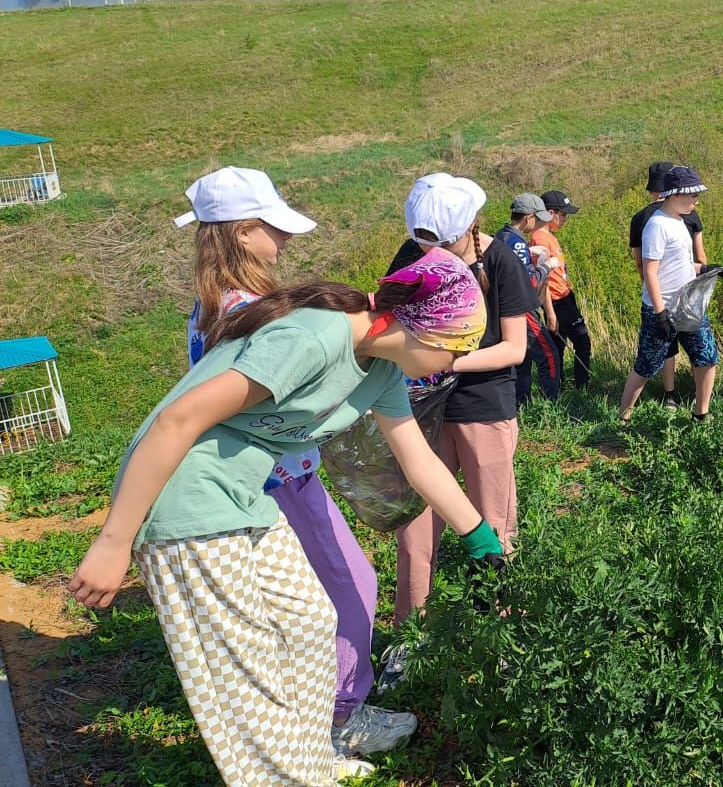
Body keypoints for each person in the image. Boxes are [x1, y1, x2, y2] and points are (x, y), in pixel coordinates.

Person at [68, 253, 500, 787]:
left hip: (246, 491)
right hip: (186, 495)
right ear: (421, 326)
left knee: (310, 623)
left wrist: (480, 536)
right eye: (454, 348)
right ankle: (284, 776)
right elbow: (178, 419)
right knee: (246, 668)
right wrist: (115, 542)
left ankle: (308, 761)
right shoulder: (315, 339)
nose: (451, 363)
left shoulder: (382, 369)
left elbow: (418, 460)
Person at [178, 167, 417, 761]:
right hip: (275, 481)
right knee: (344, 596)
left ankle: (322, 715)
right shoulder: (254, 312)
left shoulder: (215, 306)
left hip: (272, 476)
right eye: (272, 229)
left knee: (321, 599)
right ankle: (333, 723)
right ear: (240, 234)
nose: (284, 240)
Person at [387, 174, 535, 632]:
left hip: (484, 405)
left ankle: (502, 628)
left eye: (441, 245)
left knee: (494, 523)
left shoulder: (501, 259)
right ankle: (411, 637)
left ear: (471, 223)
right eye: (424, 244)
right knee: (416, 529)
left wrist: (445, 361)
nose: (431, 255)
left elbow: (514, 348)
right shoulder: (412, 255)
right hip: (424, 407)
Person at [619, 166, 719, 423]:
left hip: (688, 306)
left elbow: (680, 264)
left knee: (707, 358)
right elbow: (651, 271)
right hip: (661, 309)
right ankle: (623, 416)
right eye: (692, 195)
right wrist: (661, 313)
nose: (697, 200)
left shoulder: (680, 221)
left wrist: (705, 269)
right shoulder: (656, 226)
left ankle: (701, 415)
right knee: (646, 364)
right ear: (674, 194)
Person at [495, 192, 561, 406]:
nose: (540, 222)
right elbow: (528, 283)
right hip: (521, 307)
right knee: (549, 355)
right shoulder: (517, 244)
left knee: (520, 357)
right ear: (528, 217)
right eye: (538, 217)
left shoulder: (501, 235)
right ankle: (550, 404)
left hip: (502, 307)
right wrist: (545, 266)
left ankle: (520, 403)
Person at [532, 189, 592, 391]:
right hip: (557, 301)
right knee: (581, 342)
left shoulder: (550, 236)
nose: (565, 218)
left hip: (565, 296)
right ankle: (580, 388)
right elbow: (543, 280)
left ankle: (562, 386)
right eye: (563, 214)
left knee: (560, 345)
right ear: (550, 213)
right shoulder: (540, 239)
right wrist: (550, 313)